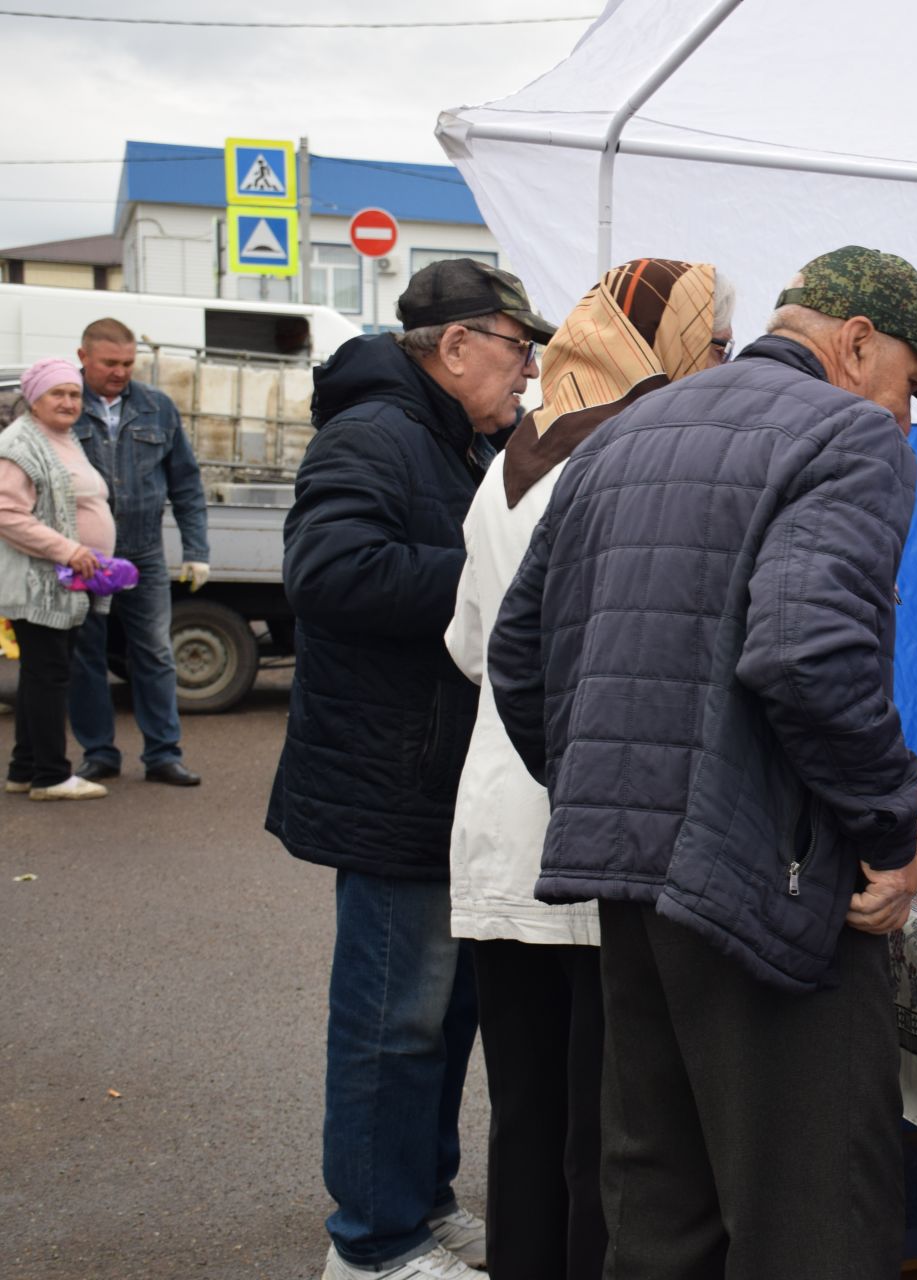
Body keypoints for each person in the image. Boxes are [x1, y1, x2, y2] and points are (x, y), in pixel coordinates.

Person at [488, 245, 917, 1280]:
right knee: (815, 1224)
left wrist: (604, 791)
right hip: (770, 888)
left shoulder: (627, 429)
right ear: (855, 345)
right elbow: (806, 650)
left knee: (660, 1208)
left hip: (626, 881)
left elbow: (519, 650)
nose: (909, 415)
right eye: (910, 386)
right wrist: (889, 829)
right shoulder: (850, 434)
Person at [443, 257, 734, 1280]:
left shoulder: (512, 454)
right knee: (608, 1126)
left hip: (495, 824)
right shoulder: (637, 453)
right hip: (587, 823)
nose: (719, 361)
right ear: (664, 343)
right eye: (711, 339)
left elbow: (471, 644)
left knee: (525, 1112)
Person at [266, 258, 557, 1280]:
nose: (528, 370)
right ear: (458, 344)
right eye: (519, 348)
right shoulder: (376, 432)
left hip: (437, 776)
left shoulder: (458, 436)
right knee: (392, 1020)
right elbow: (328, 572)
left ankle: (421, 1206)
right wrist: (491, 578)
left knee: (442, 1013)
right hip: (389, 777)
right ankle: (373, 1241)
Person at [67, 317, 207, 788]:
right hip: (83, 556)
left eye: (128, 363)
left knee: (154, 652)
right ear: (83, 356)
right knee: (85, 655)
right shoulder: (63, 406)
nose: (121, 371)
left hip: (144, 552)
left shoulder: (157, 407)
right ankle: (99, 753)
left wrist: (196, 549)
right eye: (110, 363)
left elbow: (186, 482)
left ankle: (164, 755)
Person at [1, 358, 114, 801]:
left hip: (65, 583)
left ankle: (24, 769)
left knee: (41, 676)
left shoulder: (59, 437)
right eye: (57, 394)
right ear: (34, 398)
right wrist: (69, 550)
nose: (68, 402)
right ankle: (51, 776)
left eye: (73, 393)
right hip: (40, 583)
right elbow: (8, 514)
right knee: (48, 677)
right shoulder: (20, 444)